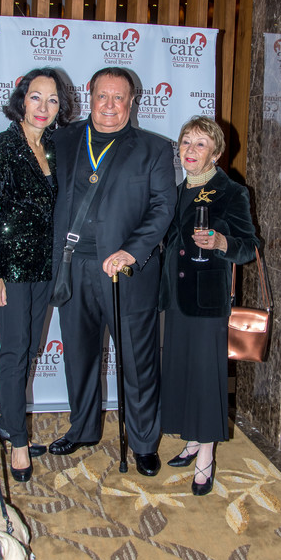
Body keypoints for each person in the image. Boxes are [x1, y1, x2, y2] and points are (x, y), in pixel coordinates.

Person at [48, 67, 176, 477]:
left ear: (132, 101)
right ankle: (83, 429)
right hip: (72, 267)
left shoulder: (154, 149)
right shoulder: (62, 139)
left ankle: (143, 443)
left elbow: (162, 208)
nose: (109, 105)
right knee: (79, 356)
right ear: (89, 96)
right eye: (102, 96)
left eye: (118, 97)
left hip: (127, 273)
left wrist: (130, 252)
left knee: (138, 362)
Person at [0, 68, 72, 482]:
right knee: (15, 353)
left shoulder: (55, 147)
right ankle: (17, 441)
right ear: (22, 100)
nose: (43, 107)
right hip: (11, 271)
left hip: (45, 268)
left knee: (30, 348)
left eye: (52, 100)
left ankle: (8, 423)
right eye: (36, 97)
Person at [159, 116, 259, 495]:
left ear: (215, 154)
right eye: (186, 141)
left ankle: (206, 455)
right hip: (176, 296)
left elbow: (249, 247)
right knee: (182, 370)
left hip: (207, 300)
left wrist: (220, 242)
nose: (191, 150)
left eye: (200, 144)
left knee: (205, 375)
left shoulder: (231, 192)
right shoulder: (176, 190)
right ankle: (191, 439)